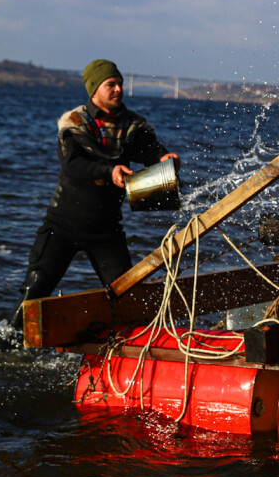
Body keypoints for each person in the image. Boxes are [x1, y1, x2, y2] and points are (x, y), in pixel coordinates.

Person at [10, 59, 177, 329]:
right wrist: (109, 170)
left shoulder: (134, 125)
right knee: (35, 291)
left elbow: (150, 150)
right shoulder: (73, 122)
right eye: (110, 84)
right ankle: (8, 344)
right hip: (62, 227)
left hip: (106, 232)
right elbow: (73, 165)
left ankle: (126, 351)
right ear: (94, 91)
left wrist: (163, 158)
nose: (118, 89)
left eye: (120, 84)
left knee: (127, 297)